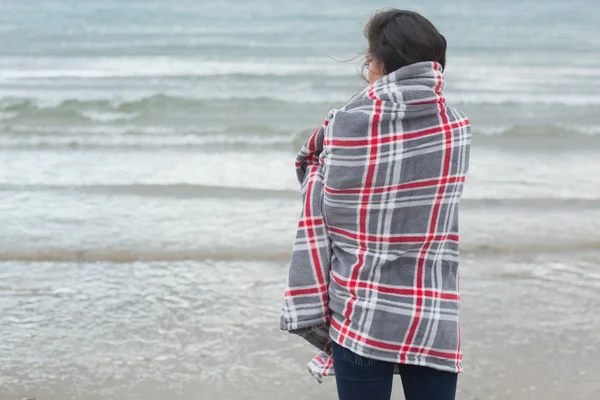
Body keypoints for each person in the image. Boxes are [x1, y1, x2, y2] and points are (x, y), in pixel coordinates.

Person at [281, 9, 472, 400]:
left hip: (360, 309)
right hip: (431, 309)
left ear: (382, 63)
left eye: (368, 60)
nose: (367, 69)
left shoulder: (346, 126)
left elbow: (320, 192)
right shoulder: (455, 129)